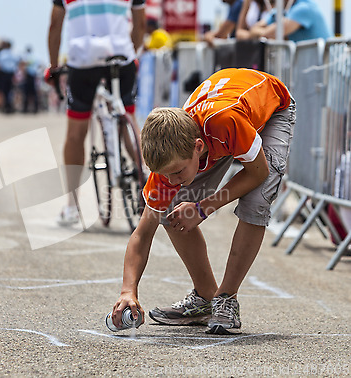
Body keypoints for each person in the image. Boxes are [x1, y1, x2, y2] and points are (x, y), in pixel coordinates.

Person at [111, 67, 296, 335]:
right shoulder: (171, 161)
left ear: (198, 147)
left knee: (255, 202)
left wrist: (203, 207)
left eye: (177, 173)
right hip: (221, 127)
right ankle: (206, 296)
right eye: (165, 175)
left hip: (270, 108)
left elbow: (258, 172)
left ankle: (226, 298)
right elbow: (142, 233)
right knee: (169, 211)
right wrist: (128, 290)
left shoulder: (224, 124)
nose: (171, 181)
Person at [46, 0, 146, 225]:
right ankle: (147, 178)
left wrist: (54, 68)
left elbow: (55, 26)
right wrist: (131, 52)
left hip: (83, 61)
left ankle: (72, 207)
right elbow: (140, 26)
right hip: (122, 58)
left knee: (75, 132)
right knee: (127, 119)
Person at [248, 0, 331, 42]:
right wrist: (266, 32)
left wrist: (266, 32)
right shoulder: (281, 11)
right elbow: (254, 30)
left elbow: (272, 33)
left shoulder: (304, 8)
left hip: (324, 70)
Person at [0, 40, 18, 114]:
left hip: (3, 74)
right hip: (10, 74)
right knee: (9, 91)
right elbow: (17, 63)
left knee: (3, 91)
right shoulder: (13, 53)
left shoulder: (1, 53)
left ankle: (5, 106)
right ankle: (9, 106)